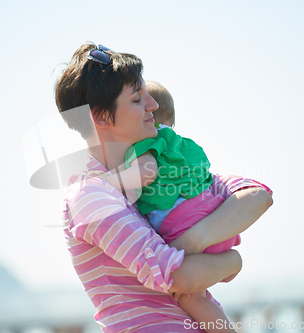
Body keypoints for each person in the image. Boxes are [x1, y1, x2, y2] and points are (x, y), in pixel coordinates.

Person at [55, 43, 273, 333]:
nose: (152, 105)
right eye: (136, 99)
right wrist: (232, 259)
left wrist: (200, 245)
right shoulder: (91, 194)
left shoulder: (166, 172)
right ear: (101, 117)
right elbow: (176, 276)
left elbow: (256, 196)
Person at [99, 81, 255, 332]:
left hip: (183, 227)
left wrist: (107, 182)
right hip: (216, 224)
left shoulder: (145, 144)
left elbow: (146, 172)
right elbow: (206, 178)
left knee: (191, 297)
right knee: (198, 296)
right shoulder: (186, 146)